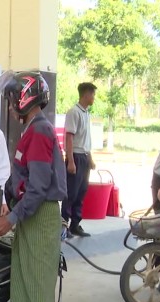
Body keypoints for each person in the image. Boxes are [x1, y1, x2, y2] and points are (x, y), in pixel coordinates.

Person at [0, 71, 66, 302]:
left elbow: (38, 186)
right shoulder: (34, 129)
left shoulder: (40, 131)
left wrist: (12, 217)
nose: (9, 107)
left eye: (10, 101)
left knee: (34, 287)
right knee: (25, 283)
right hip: (32, 214)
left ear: (24, 98)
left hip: (38, 216)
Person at [62, 82, 97, 238]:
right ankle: (64, 226)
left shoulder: (86, 113)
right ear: (86, 94)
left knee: (81, 192)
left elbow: (85, 140)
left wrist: (90, 159)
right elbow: (69, 137)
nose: (94, 97)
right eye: (93, 94)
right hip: (75, 156)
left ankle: (75, 224)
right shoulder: (74, 112)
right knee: (71, 193)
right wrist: (70, 161)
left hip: (84, 157)